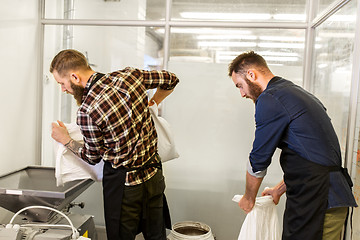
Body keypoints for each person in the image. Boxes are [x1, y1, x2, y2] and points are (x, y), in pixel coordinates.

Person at [50, 49, 179, 240]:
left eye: (62, 83)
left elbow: (91, 157)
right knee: (156, 236)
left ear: (75, 77)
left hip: (124, 188)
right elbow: (171, 79)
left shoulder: (88, 110)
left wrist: (65, 140)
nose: (63, 89)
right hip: (153, 177)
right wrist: (152, 103)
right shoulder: (130, 77)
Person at [228, 51, 357, 240]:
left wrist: (249, 198)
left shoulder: (270, 98)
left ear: (251, 75)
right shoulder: (294, 93)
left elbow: (259, 158)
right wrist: (278, 189)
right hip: (323, 197)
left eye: (240, 86)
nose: (242, 94)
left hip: (320, 201)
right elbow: (311, 155)